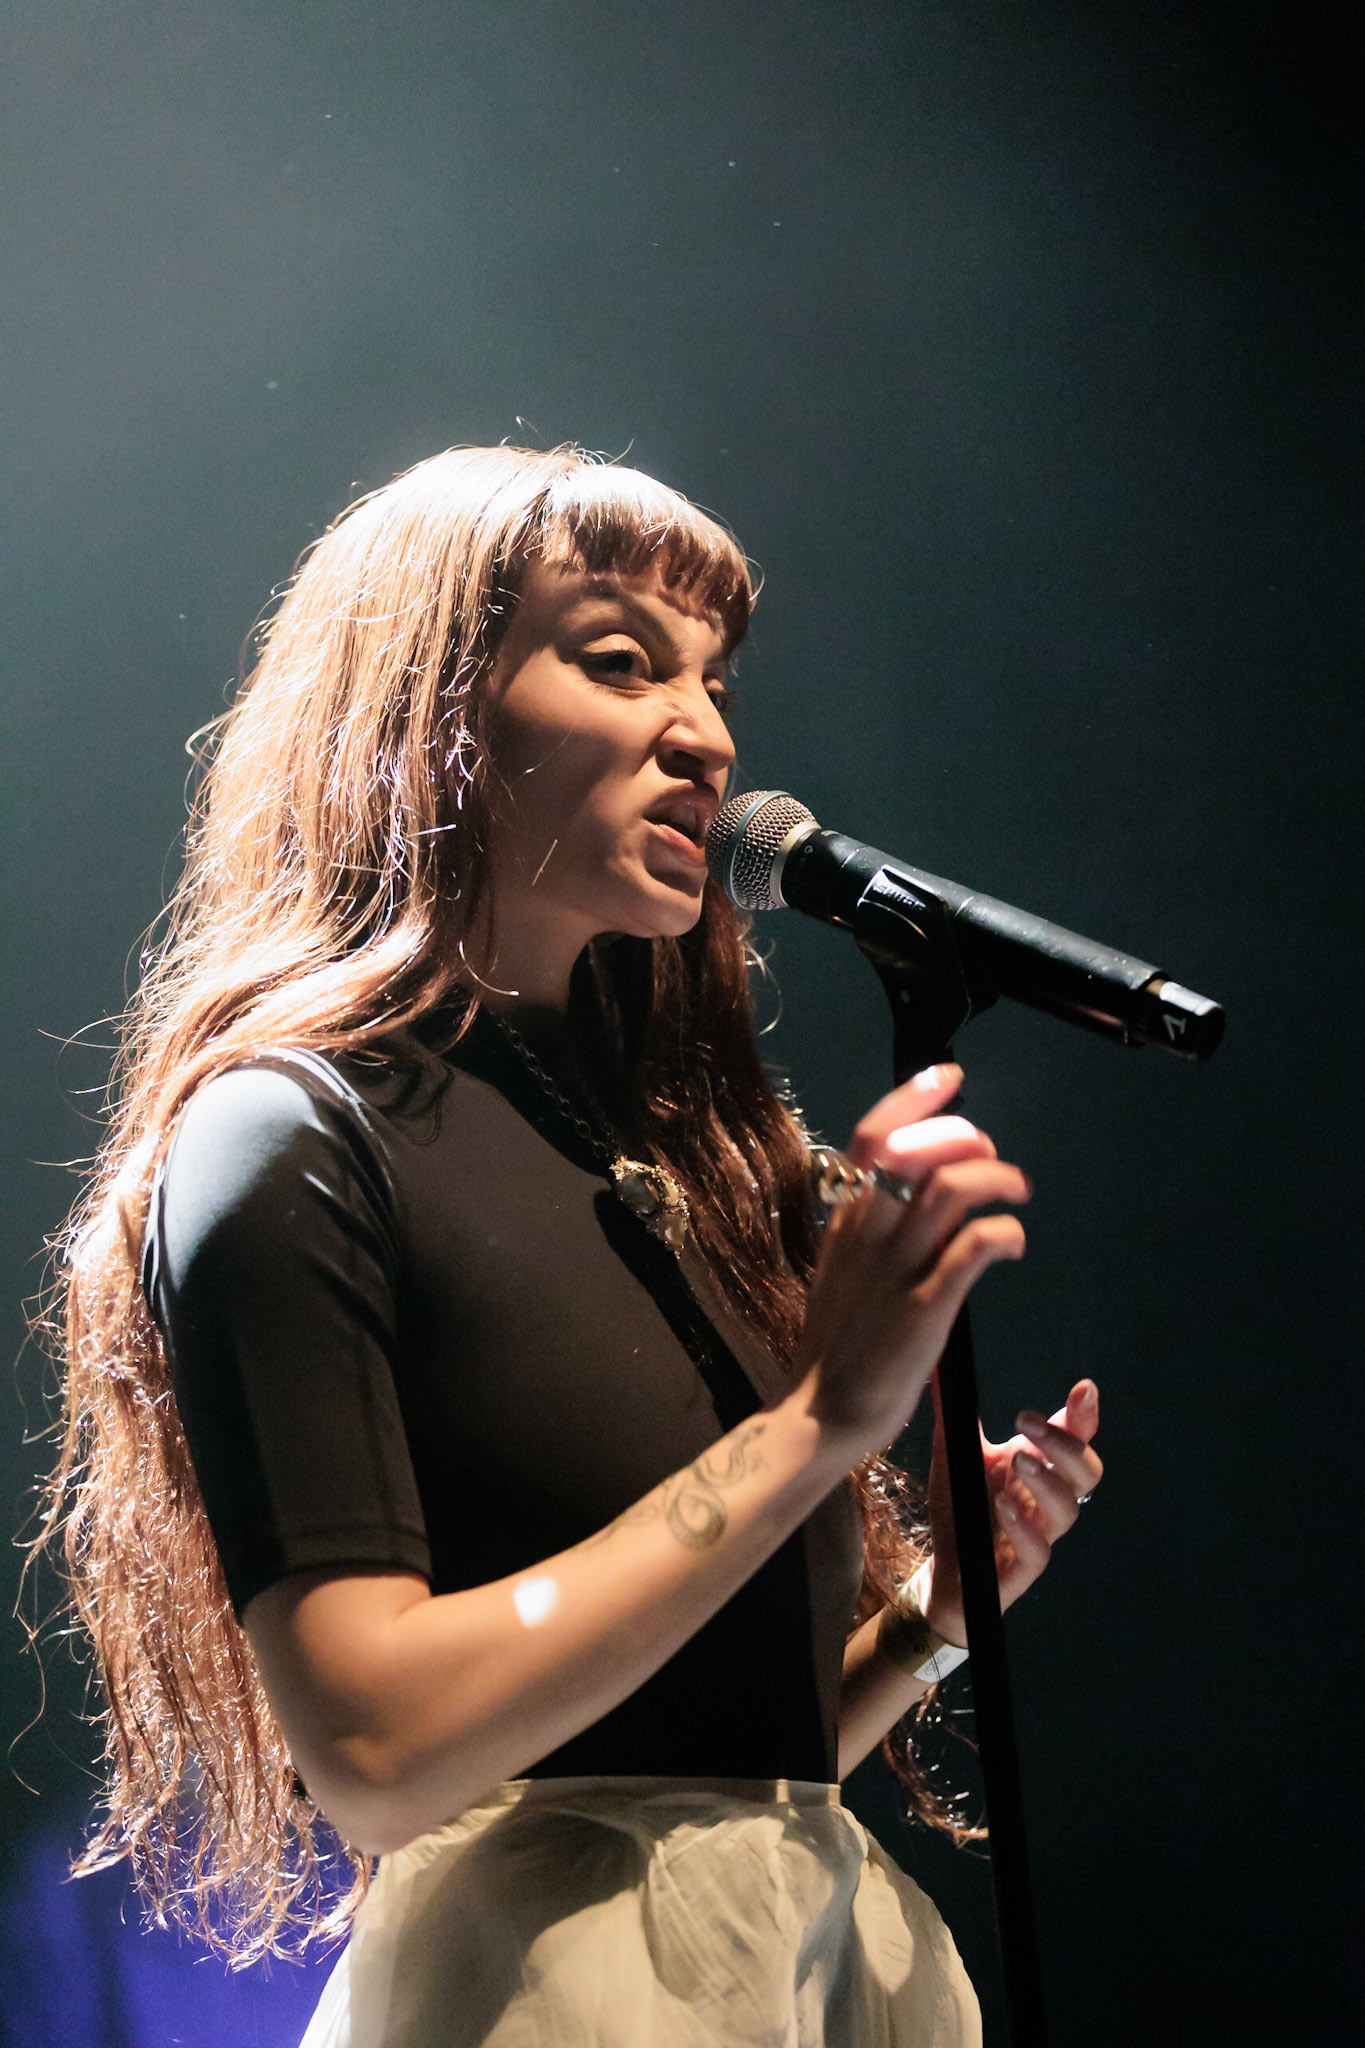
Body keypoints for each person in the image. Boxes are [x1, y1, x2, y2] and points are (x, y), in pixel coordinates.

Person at [39, 445, 1102, 2047]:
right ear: (433, 714)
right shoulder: (289, 1130)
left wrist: (941, 1613)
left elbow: (704, 1759)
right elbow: (383, 1748)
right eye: (620, 660)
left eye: (713, 677)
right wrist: (818, 1427)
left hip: (810, 1963)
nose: (707, 734)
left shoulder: (681, 1150)